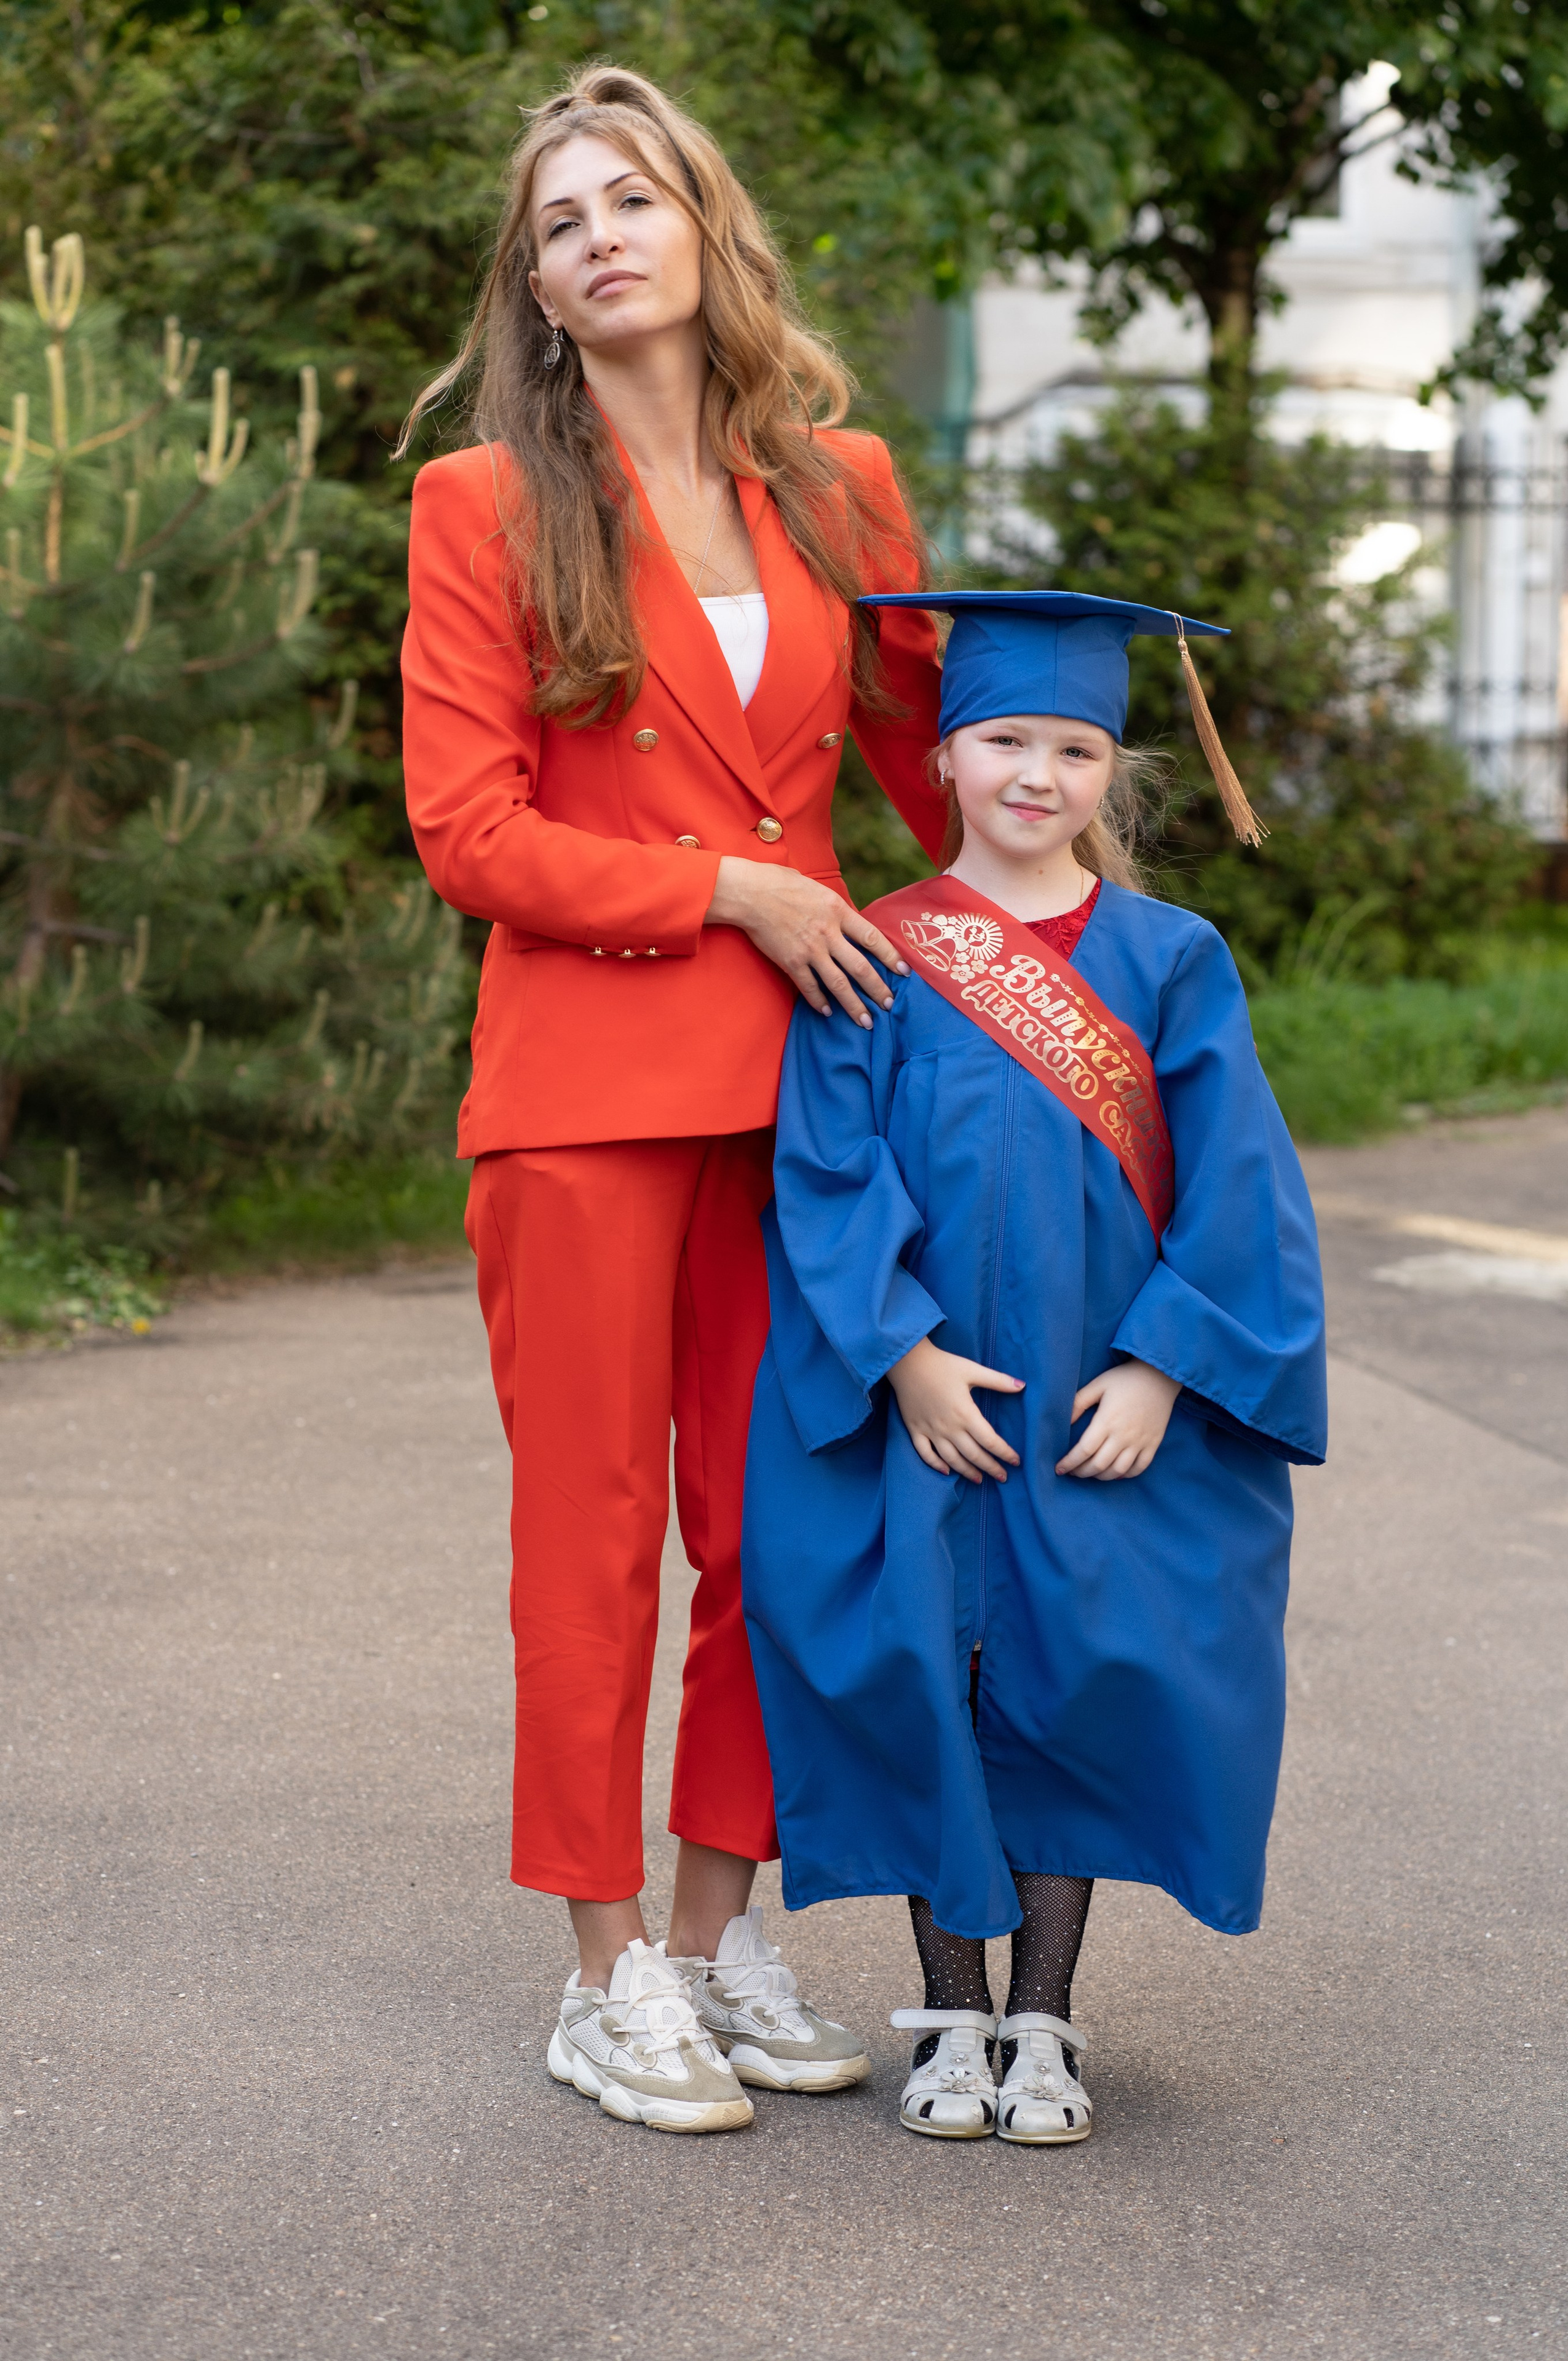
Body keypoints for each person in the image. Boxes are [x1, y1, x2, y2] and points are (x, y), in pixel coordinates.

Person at [398, 65, 948, 2134]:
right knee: (596, 1535)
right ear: (536, 291)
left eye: (636, 198)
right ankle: (598, 1965)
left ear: (708, 231)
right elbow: (470, 830)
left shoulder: (841, 484)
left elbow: (920, 773)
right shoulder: (483, 508)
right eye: (562, 221)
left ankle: (719, 1943)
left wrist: (1085, 943)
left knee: (781, 1531)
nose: (602, 235)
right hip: (583, 1092)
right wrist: (729, 887)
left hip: (804, 1099)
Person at [740, 591, 1327, 2143]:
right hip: (931, 1407)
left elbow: (1236, 1184)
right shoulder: (879, 949)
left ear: (1108, 774)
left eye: (1072, 748)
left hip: (1087, 1404)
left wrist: (1160, 1370)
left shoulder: (1169, 957)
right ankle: (946, 2019)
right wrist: (901, 1356)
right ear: (942, 757)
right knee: (930, 1670)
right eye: (1004, 738)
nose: (1035, 773)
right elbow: (827, 1170)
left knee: (1076, 1679)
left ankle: (1045, 2022)